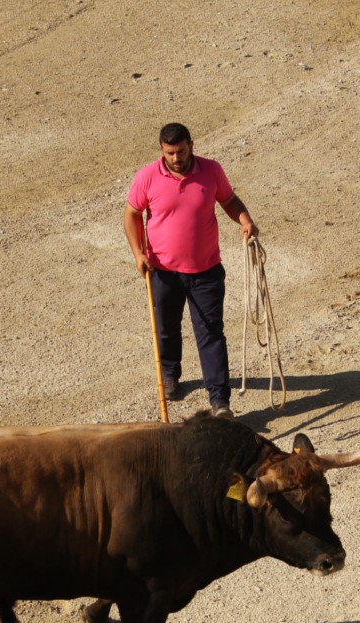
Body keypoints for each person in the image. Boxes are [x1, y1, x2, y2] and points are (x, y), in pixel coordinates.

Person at [123, 122, 258, 418]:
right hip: (163, 272)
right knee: (167, 328)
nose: (175, 158)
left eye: (181, 151)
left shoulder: (211, 171)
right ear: (162, 150)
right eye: (170, 153)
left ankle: (220, 400)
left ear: (191, 145)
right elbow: (132, 213)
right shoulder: (147, 177)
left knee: (210, 333)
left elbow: (229, 200)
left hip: (206, 270)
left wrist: (245, 220)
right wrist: (137, 254)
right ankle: (170, 375)